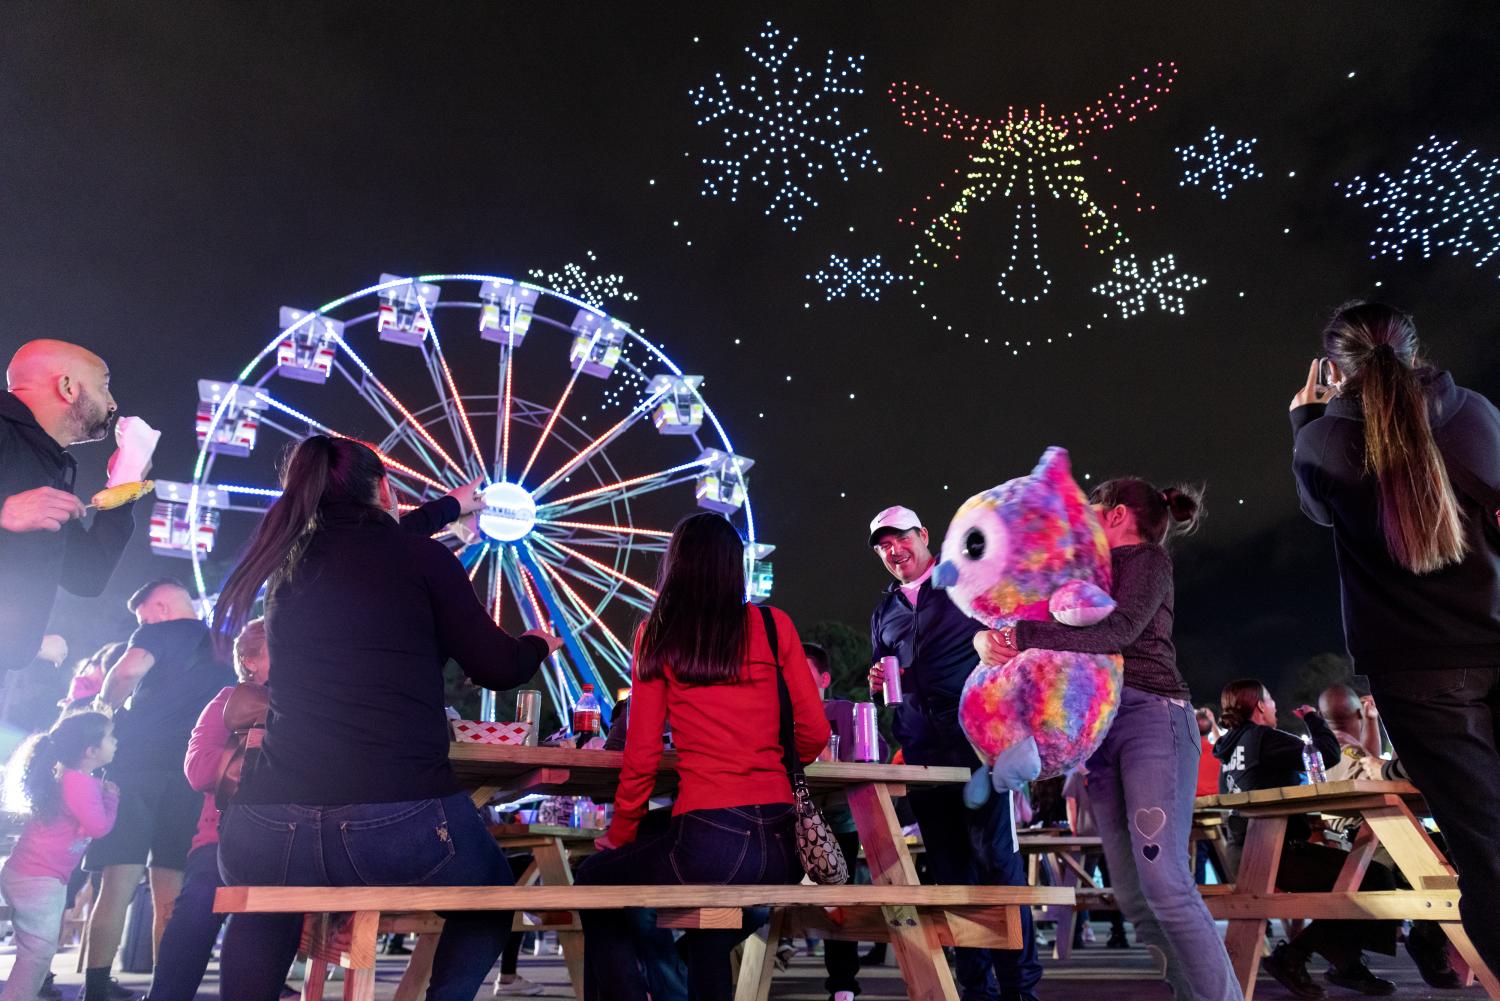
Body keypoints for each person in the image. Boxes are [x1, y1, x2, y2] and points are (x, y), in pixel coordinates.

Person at [210, 435, 557, 1001]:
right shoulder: (423, 560)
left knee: (265, 904)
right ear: (386, 489)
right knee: (492, 895)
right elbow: (498, 667)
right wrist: (537, 643)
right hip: (395, 821)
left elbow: (370, 548)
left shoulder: (287, 563)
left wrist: (449, 508)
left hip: (266, 827)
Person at [1290, 300, 1500, 977]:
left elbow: (1319, 507)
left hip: (1418, 672)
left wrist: (1306, 417)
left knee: (1487, 850)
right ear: (1414, 348)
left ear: (1336, 369)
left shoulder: (1325, 442)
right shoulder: (1474, 414)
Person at [975, 480, 1240, 1001]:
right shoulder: (1086, 570)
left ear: (1116, 515)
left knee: (1164, 882)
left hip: (1153, 718)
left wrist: (1023, 638)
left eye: (1092, 507)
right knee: (1134, 894)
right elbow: (1027, 607)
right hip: (1102, 730)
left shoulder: (1146, 560)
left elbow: (1117, 631)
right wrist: (992, 635)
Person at [575, 512, 830, 1001]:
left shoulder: (658, 633)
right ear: (735, 567)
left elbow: (643, 753)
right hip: (780, 845)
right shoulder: (774, 625)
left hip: (710, 838)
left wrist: (620, 833)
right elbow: (815, 730)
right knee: (710, 932)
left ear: (677, 566)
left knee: (595, 880)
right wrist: (773, 765)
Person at [866, 505, 1042, 1001]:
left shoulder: (967, 582)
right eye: (882, 546)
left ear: (923, 535)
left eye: (899, 539)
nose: (893, 551)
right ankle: (974, 988)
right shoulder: (884, 610)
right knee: (949, 872)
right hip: (921, 752)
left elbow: (1016, 628)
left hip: (976, 747)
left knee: (996, 866)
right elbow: (883, 671)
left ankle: (1019, 988)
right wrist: (877, 678)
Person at [80, 578, 234, 1000]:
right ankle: (165, 990)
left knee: (118, 881)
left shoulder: (158, 632)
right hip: (192, 774)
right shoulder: (224, 644)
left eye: (142, 614)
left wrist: (104, 709)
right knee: (172, 887)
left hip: (137, 766)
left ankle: (95, 988)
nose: (141, 622)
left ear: (160, 608)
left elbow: (127, 669)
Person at [1214, 680, 1397, 998]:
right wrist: (1313, 718)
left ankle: (1346, 962)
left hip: (1243, 850)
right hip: (1272, 852)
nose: (1273, 706)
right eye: (1270, 700)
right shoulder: (1263, 738)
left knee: (1356, 876)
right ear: (1259, 706)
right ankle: (1297, 958)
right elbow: (1326, 754)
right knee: (1372, 877)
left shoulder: (1231, 746)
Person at [1, 340, 137, 674]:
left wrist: (125, 484)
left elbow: (87, 575)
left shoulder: (51, 468)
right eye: (103, 386)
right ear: (67, 387)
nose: (112, 402)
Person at [0, 712, 119, 1001]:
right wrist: (112, 797)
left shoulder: (71, 779)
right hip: (40, 877)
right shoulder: (79, 783)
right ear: (91, 751)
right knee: (37, 955)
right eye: (110, 737)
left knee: (36, 954)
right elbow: (98, 826)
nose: (116, 742)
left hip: (31, 874)